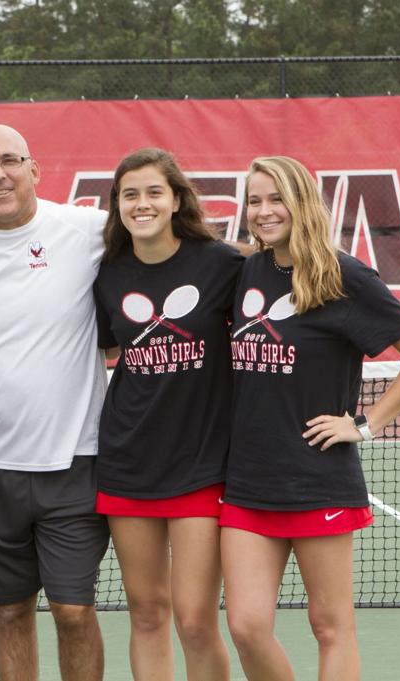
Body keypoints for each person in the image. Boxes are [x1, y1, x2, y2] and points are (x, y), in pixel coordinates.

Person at [220, 156, 400, 681]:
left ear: (302, 203)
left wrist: (365, 424)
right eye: (254, 200)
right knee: (247, 627)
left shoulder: (344, 274)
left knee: (330, 626)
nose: (264, 210)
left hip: (318, 478)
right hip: (247, 481)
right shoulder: (247, 269)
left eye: (276, 198)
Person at [0, 124, 112, 681]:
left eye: (10, 161)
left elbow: (182, 243)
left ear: (34, 169)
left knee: (73, 611)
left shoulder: (86, 228)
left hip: (76, 461)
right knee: (11, 608)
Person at [93, 148, 242, 681]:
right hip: (127, 459)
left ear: (176, 199)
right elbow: (109, 347)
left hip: (202, 462)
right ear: (117, 205)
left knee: (197, 619)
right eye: (130, 194)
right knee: (147, 612)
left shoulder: (222, 264)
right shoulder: (108, 274)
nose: (142, 203)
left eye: (154, 191)